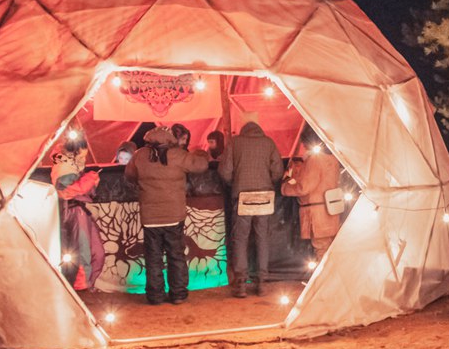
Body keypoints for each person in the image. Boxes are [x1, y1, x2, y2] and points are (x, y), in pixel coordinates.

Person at [125, 126, 209, 305]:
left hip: (150, 217)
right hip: (174, 215)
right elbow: (202, 165)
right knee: (176, 255)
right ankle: (178, 294)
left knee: (153, 256)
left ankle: (155, 296)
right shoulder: (177, 155)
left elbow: (130, 175)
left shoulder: (139, 155)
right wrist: (201, 153)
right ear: (170, 139)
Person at [219, 112, 283, 297]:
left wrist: (235, 183)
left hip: (242, 197)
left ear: (242, 125)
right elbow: (278, 171)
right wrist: (268, 182)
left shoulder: (234, 143)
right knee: (262, 238)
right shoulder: (269, 143)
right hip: (265, 197)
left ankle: (241, 282)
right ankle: (262, 281)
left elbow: (224, 171)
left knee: (240, 238)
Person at [52, 130, 105, 291]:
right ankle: (81, 287)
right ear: (74, 153)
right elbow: (66, 192)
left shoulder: (73, 166)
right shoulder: (63, 166)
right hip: (73, 212)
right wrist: (90, 180)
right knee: (83, 252)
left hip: (81, 211)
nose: (83, 160)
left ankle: (87, 284)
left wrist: (90, 182)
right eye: (81, 156)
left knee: (96, 251)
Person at [281, 136, 343, 263]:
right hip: (331, 209)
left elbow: (304, 187)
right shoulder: (333, 158)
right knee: (332, 249)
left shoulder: (314, 160)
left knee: (321, 250)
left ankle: (325, 276)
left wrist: (285, 186)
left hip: (317, 213)